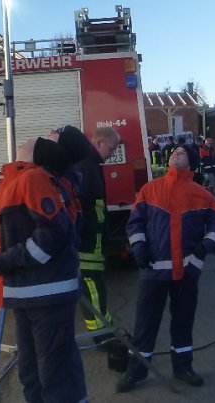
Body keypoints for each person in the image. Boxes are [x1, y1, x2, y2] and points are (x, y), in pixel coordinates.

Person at [116, 145, 215, 393]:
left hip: (187, 271)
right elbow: (135, 224)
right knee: (145, 322)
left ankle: (183, 367)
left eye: (182, 152)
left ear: (191, 161)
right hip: (153, 270)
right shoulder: (149, 189)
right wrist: (139, 248)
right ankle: (137, 369)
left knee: (183, 321)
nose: (175, 153)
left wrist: (205, 246)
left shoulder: (201, 194)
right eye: (174, 151)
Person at [0, 136, 87, 403]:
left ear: (38, 157)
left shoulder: (33, 178)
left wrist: (9, 259)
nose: (28, 139)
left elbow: (53, 232)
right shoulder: (19, 179)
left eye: (34, 141)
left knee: (56, 375)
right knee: (31, 374)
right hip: (28, 294)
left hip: (47, 294)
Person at [75, 126, 121, 347]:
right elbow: (81, 204)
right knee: (92, 283)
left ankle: (104, 325)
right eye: (111, 149)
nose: (112, 154)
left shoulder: (90, 163)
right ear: (99, 142)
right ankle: (101, 334)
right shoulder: (86, 165)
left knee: (95, 283)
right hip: (88, 237)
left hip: (93, 235)